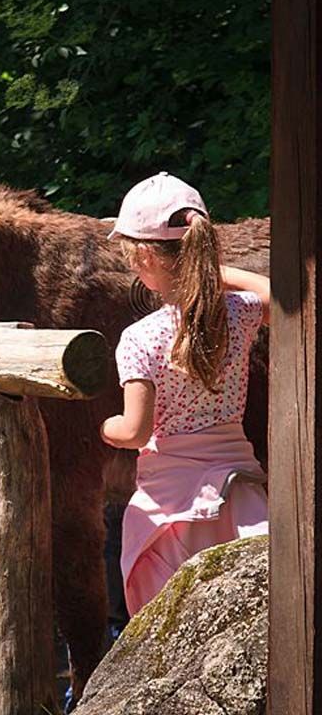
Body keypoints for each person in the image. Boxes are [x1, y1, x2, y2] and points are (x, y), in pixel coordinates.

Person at [100, 172, 269, 616]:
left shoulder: (140, 338)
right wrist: (211, 272)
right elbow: (280, 297)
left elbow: (135, 432)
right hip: (242, 500)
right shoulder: (240, 313)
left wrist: (106, 427)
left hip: (170, 514)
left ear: (141, 256)